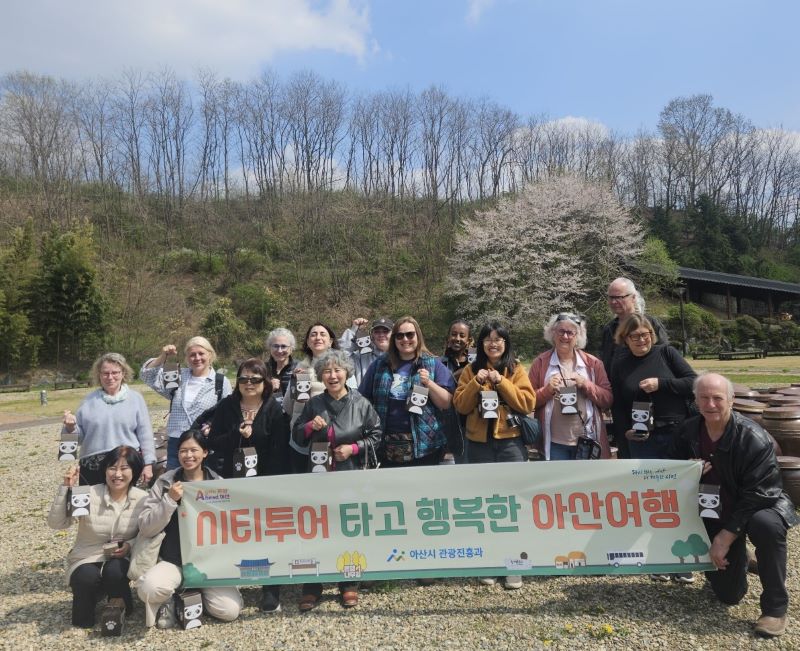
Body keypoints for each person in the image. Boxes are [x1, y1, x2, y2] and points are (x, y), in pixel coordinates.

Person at [670, 373, 799, 638]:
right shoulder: (687, 431)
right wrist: (688, 471)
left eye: (718, 398)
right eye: (704, 398)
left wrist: (725, 537)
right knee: (728, 595)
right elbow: (670, 472)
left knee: (766, 525)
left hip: (758, 505)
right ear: (695, 401)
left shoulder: (753, 437)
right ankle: (743, 559)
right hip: (714, 510)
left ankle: (775, 608)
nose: (711, 404)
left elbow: (760, 493)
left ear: (731, 400)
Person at [291, 349, 382, 611]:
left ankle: (348, 583)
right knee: (316, 529)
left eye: (337, 370)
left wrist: (353, 448)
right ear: (321, 375)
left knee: (347, 527)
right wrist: (310, 427)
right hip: (319, 477)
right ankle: (313, 585)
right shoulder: (313, 404)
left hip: (351, 474)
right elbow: (297, 436)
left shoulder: (361, 403)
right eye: (327, 371)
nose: (332, 375)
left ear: (347, 373)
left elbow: (377, 435)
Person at [610, 313, 696, 584]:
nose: (642, 340)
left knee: (679, 498)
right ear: (624, 339)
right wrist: (623, 431)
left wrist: (663, 384)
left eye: (646, 334)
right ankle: (658, 555)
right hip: (641, 438)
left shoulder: (667, 353)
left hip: (674, 433)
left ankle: (684, 560)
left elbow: (693, 382)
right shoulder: (620, 362)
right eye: (635, 336)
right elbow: (618, 402)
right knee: (650, 499)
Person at [453, 322, 535, 589]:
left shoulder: (516, 369)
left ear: (506, 343)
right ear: (480, 344)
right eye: (488, 339)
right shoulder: (470, 370)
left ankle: (515, 564)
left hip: (510, 444)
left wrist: (502, 383)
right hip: (479, 445)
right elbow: (461, 406)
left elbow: (527, 402)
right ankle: (489, 561)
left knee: (513, 506)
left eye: (499, 339)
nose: (493, 343)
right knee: (485, 505)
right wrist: (477, 384)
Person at [207, 358, 291, 613]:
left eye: (255, 379)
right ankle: (231, 584)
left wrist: (271, 484)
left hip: (265, 482)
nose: (249, 384)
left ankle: (270, 588)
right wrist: (237, 434)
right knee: (236, 532)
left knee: (267, 534)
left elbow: (281, 448)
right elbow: (214, 442)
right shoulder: (226, 407)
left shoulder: (275, 410)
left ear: (265, 382)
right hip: (232, 480)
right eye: (244, 378)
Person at [136, 429, 243, 628]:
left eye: (194, 450)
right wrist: (169, 500)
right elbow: (146, 526)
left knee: (229, 611)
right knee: (149, 589)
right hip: (173, 559)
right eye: (183, 451)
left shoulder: (218, 484)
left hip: (208, 563)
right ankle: (170, 598)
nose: (188, 455)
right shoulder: (165, 482)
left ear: (205, 453)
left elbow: (230, 526)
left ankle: (192, 594)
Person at [47, 446, 147, 628]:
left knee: (115, 571)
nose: (117, 474)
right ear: (104, 470)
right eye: (112, 468)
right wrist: (66, 489)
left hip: (120, 557)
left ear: (135, 471)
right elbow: (58, 524)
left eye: (124, 468)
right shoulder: (88, 493)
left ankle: (120, 604)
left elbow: (147, 534)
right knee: (85, 579)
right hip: (86, 555)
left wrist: (130, 545)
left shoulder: (143, 498)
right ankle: (91, 600)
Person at [359, 316, 455, 467]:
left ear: (418, 336)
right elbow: (362, 400)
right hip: (386, 444)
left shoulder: (433, 364)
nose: (405, 339)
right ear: (394, 339)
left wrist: (429, 383)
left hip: (426, 446)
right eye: (400, 335)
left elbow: (446, 403)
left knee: (423, 490)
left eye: (410, 334)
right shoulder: (379, 365)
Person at [62, 353, 156, 485]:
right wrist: (70, 427)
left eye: (115, 372)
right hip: (92, 467)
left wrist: (148, 464)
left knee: (129, 504)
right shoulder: (88, 401)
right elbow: (78, 440)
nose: (110, 377)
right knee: (93, 505)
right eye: (105, 373)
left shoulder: (136, 399)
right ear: (99, 375)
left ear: (123, 373)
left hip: (127, 464)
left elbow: (145, 435)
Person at [528, 313, 613, 461]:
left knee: (586, 484)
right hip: (553, 443)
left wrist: (585, 384)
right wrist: (547, 391)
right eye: (561, 331)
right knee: (558, 484)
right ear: (553, 333)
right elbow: (527, 401)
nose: (565, 337)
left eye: (570, 333)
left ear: (578, 336)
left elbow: (607, 399)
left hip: (587, 440)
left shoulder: (593, 364)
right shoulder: (540, 363)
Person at [141, 336, 232, 470]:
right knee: (174, 484)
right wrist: (163, 356)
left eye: (201, 353)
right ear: (187, 358)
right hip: (176, 443)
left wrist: (212, 427)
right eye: (192, 355)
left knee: (204, 487)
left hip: (204, 443)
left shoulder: (221, 381)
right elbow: (147, 375)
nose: (197, 358)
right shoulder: (177, 374)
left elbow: (228, 413)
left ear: (210, 355)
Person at [285, 322, 341, 471]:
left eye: (323, 334)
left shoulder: (342, 367)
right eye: (313, 334)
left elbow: (351, 402)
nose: (318, 337)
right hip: (301, 438)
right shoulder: (299, 368)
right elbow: (287, 407)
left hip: (332, 438)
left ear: (330, 341)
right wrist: (293, 385)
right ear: (308, 342)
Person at [600, 276, 669, 377]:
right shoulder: (609, 329)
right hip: (617, 388)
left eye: (619, 297)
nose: (614, 302)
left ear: (633, 297)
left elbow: (665, 356)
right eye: (611, 297)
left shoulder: (650, 323)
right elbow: (606, 361)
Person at [440, 319, 473, 463]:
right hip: (445, 424)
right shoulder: (438, 363)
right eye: (454, 334)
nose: (457, 339)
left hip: (469, 424)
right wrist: (457, 374)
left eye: (462, 335)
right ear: (448, 338)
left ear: (469, 340)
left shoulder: (476, 364)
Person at [339, 316, 393, 384]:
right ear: (372, 335)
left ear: (393, 335)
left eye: (386, 331)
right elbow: (341, 356)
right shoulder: (361, 357)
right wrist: (354, 330)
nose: (381, 335)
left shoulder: (401, 355)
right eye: (377, 332)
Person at [265, 327, 298, 403]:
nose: (279, 350)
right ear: (270, 347)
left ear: (291, 348)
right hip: (268, 414)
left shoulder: (299, 368)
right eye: (275, 346)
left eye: (283, 346)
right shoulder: (262, 369)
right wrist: (268, 389)